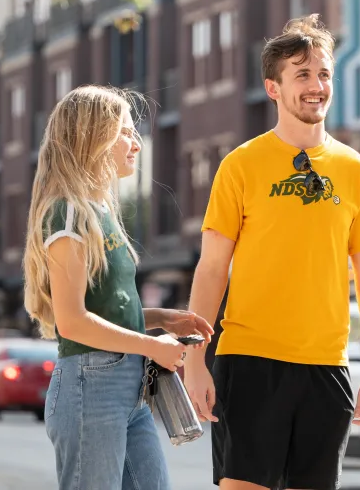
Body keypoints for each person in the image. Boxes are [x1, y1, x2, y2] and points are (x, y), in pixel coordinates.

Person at [183, 14, 360, 490]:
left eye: (324, 74)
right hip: (249, 361)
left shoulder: (357, 172)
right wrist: (195, 361)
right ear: (273, 88)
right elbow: (213, 268)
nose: (316, 86)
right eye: (302, 74)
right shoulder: (240, 166)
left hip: (326, 365)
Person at [23, 85, 214, 490]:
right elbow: (72, 322)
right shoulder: (68, 211)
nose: (136, 144)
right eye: (126, 132)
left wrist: (162, 320)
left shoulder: (100, 209)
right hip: (89, 387)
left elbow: (104, 313)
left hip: (127, 390)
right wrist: (153, 346)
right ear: (93, 137)